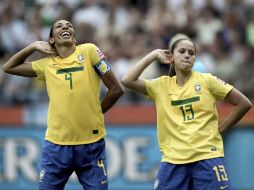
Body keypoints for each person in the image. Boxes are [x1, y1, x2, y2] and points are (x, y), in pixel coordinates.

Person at [2, 19, 124, 190]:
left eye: (69, 26)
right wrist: (33, 46)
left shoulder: (89, 51)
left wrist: (97, 112)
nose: (65, 27)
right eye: (59, 26)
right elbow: (8, 67)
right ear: (51, 40)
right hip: (56, 146)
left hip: (91, 145)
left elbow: (116, 89)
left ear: (74, 37)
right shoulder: (46, 65)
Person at [121, 35, 252, 190]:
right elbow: (127, 80)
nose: (187, 55)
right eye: (182, 51)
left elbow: (244, 103)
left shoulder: (207, 80)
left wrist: (220, 130)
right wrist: (153, 55)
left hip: (207, 157)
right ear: (171, 57)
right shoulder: (161, 86)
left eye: (191, 53)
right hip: (173, 160)